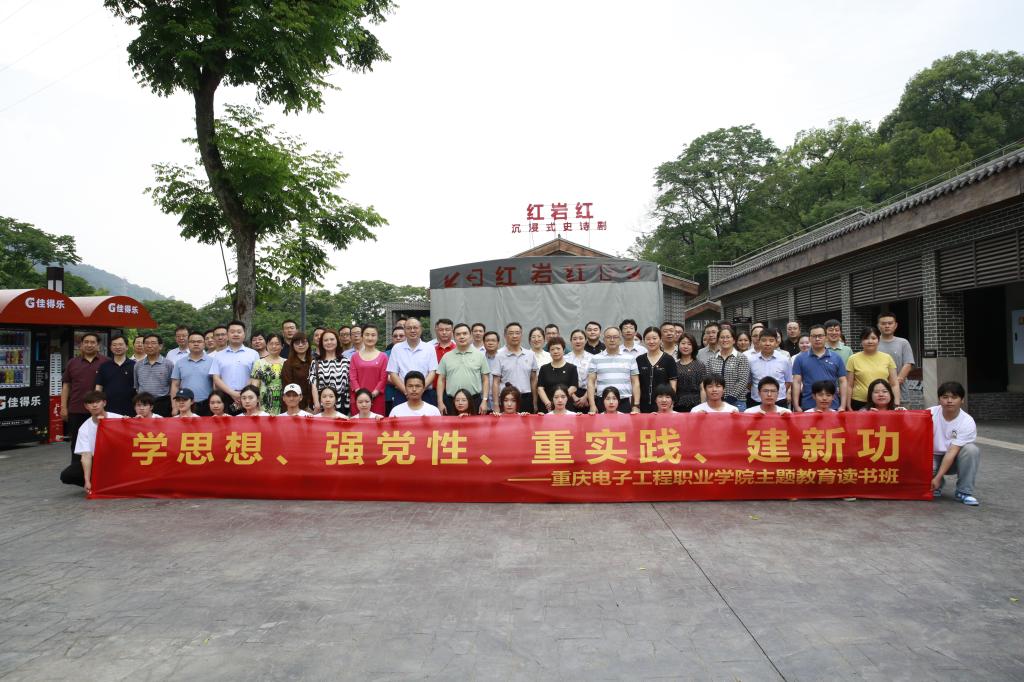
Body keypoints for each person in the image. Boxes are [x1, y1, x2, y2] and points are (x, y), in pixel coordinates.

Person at [62, 331, 113, 462]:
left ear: (98, 345)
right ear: (81, 345)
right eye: (86, 342)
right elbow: (66, 386)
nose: (89, 345)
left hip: (100, 410)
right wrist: (63, 407)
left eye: (92, 342)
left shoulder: (106, 362)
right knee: (77, 442)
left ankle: (98, 469)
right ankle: (77, 468)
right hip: (76, 409)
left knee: (101, 441)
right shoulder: (72, 362)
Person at [930, 381, 981, 505]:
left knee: (971, 450)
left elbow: (952, 452)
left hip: (954, 459)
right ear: (939, 399)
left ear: (962, 400)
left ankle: (964, 492)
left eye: (954, 397)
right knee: (928, 464)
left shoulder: (967, 421)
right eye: (945, 397)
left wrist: (937, 477)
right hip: (931, 456)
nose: (949, 401)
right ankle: (936, 486)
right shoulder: (930, 414)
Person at [69, 390, 123, 493]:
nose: (94, 405)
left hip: (119, 459)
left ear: (104, 403)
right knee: (68, 474)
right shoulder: (84, 428)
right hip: (98, 461)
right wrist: (87, 480)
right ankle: (93, 484)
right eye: (90, 403)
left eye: (97, 402)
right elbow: (86, 456)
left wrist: (137, 420)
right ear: (86, 406)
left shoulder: (119, 419)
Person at [436, 323, 491, 415]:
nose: (461, 337)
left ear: (470, 335)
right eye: (458, 334)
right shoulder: (446, 356)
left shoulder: (480, 356)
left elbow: (485, 380)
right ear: (454, 337)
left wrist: (484, 400)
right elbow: (441, 380)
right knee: (452, 424)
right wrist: (440, 402)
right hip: (452, 401)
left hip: (474, 401)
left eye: (465, 333)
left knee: (475, 424)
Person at [792, 324, 848, 412]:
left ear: (826, 337)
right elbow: (796, 382)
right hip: (808, 405)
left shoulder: (836, 358)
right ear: (810, 338)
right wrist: (796, 405)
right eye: (814, 336)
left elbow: (843, 381)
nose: (817, 339)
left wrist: (843, 406)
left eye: (820, 336)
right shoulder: (800, 358)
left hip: (832, 406)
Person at [210, 320, 260, 415]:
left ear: (244, 334)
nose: (236, 334)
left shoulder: (253, 354)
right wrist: (232, 393)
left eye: (239, 332)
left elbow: (255, 377)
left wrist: (244, 394)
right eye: (232, 332)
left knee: (247, 422)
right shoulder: (218, 355)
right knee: (225, 423)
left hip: (247, 398)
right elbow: (216, 378)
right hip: (225, 397)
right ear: (227, 335)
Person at [387, 317, 438, 407]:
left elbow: (432, 372)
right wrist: (406, 391)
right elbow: (393, 373)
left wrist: (421, 390)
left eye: (415, 328)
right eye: (409, 328)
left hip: (425, 393)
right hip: (403, 393)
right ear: (405, 330)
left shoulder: (429, 348)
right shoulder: (397, 348)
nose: (412, 330)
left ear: (420, 330)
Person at [846, 326, 899, 411]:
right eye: (866, 338)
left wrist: (896, 403)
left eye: (873, 338)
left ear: (878, 340)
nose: (870, 341)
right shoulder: (853, 359)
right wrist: (848, 405)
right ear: (861, 341)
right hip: (859, 402)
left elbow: (894, 383)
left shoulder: (887, 358)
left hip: (882, 403)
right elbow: (849, 385)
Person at [587, 327, 638, 414]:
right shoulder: (595, 358)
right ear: (604, 340)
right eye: (608, 337)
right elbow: (590, 382)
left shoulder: (630, 358)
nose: (612, 340)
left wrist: (636, 405)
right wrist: (592, 405)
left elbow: (635, 382)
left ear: (620, 339)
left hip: (623, 401)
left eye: (615, 337)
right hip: (602, 401)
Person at [492, 322, 538, 413]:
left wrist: (535, 401)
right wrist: (496, 404)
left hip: (526, 397)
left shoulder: (530, 354)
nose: (514, 336)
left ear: (521, 335)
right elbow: (495, 382)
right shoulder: (499, 355)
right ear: (505, 336)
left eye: (517, 333)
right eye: (511, 333)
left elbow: (533, 380)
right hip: (507, 399)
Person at [704, 327, 750, 411]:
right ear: (718, 340)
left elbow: (743, 380)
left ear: (734, 340)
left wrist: (730, 398)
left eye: (728, 337)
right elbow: (708, 380)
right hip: (715, 401)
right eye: (722, 337)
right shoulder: (711, 359)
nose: (725, 340)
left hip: (737, 402)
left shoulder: (741, 358)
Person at [634, 326, 678, 413]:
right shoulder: (639, 360)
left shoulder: (669, 359)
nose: (651, 342)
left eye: (654, 338)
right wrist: (636, 405)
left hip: (663, 406)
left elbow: (673, 384)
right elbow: (636, 384)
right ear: (644, 341)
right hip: (643, 405)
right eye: (648, 339)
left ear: (660, 340)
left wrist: (671, 403)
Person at [170, 331, 214, 415]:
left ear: (204, 344)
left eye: (199, 341)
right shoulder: (179, 363)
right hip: (186, 404)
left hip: (207, 404)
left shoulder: (213, 362)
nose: (196, 344)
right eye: (192, 342)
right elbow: (175, 385)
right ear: (188, 344)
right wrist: (174, 407)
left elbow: (216, 384)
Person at [348, 324, 389, 416]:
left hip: (377, 398)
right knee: (358, 423)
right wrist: (361, 395)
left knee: (377, 423)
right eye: (367, 335)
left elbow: (383, 378)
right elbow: (352, 377)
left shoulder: (383, 356)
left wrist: (373, 394)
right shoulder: (355, 357)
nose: (370, 338)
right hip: (358, 399)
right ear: (362, 336)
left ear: (377, 337)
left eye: (373, 335)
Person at [748, 327, 793, 409]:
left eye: (771, 340)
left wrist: (775, 392)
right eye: (764, 340)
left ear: (776, 342)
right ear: (759, 342)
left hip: (779, 400)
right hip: (757, 401)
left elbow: (788, 381)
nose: (767, 343)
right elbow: (749, 383)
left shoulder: (784, 360)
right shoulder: (751, 360)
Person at [309, 329, 350, 414]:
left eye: (332, 339)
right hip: (322, 405)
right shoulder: (315, 362)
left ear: (337, 341)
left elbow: (349, 385)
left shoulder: (346, 361)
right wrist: (316, 403)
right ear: (322, 343)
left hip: (341, 405)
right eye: (326, 340)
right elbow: (314, 385)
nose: (329, 342)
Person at [536, 337, 580, 413]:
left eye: (558, 349)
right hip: (547, 407)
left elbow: (574, 387)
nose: (555, 351)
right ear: (549, 352)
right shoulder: (544, 368)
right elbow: (540, 388)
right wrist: (548, 403)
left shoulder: (572, 368)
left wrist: (560, 398)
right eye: (552, 349)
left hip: (566, 405)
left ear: (564, 350)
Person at [95, 335, 135, 416]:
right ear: (110, 348)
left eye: (120, 344)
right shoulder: (104, 366)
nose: (117, 347)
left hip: (130, 408)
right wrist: (97, 403)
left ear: (127, 347)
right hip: (108, 408)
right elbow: (99, 387)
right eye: (114, 345)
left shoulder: (134, 365)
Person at [134, 333, 172, 417]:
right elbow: (137, 386)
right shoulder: (138, 365)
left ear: (160, 346)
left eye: (153, 343)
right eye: (146, 343)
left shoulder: (168, 364)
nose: (149, 346)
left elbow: (172, 386)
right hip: (143, 404)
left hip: (162, 403)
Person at [250, 333, 286, 415]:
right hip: (264, 402)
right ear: (266, 345)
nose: (274, 346)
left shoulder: (286, 363)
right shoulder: (259, 363)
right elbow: (255, 386)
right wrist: (255, 404)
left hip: (283, 402)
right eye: (271, 344)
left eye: (277, 344)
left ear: (282, 346)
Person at [877, 312, 915, 388]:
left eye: (890, 323)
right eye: (883, 324)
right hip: (877, 387)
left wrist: (895, 383)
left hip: (900, 387)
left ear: (895, 325)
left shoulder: (903, 342)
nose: (887, 326)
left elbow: (908, 364)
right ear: (878, 326)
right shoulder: (874, 342)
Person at [281, 332, 314, 411]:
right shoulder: (288, 364)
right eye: (297, 343)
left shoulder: (313, 362)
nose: (300, 345)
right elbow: (288, 387)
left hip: (313, 405)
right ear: (292, 345)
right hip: (294, 405)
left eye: (303, 342)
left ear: (308, 344)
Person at [674, 332, 707, 412]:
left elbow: (702, 388)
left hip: (695, 405)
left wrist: (702, 407)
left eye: (689, 344)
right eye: (683, 343)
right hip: (678, 404)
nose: (685, 346)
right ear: (678, 345)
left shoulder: (699, 365)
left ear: (693, 347)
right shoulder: (674, 365)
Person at [566, 329, 592, 412]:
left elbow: (595, 380)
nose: (578, 341)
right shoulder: (565, 359)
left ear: (586, 340)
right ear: (571, 341)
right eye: (575, 339)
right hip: (569, 395)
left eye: (581, 338)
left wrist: (585, 397)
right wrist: (574, 397)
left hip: (588, 395)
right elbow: (563, 380)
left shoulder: (592, 358)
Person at [481, 330, 502, 412]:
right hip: (482, 399)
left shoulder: (503, 358)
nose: (490, 343)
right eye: (487, 340)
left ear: (498, 343)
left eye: (493, 340)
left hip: (500, 399)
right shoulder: (479, 358)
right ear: (483, 343)